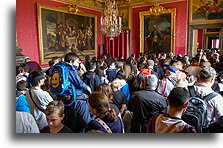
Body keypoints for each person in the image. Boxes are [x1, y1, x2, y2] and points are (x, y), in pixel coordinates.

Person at [51, 52, 93, 133]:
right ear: (71, 62)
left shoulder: (59, 67)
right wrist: (87, 87)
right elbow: (78, 83)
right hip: (73, 96)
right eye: (77, 62)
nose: (78, 64)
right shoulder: (70, 68)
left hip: (63, 96)